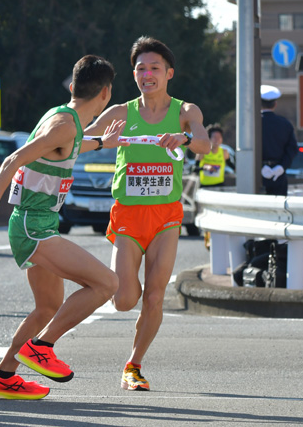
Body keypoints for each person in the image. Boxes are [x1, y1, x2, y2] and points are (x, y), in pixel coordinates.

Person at [0, 54, 123, 400]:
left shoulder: (64, 120)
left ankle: (4, 375)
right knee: (107, 283)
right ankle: (42, 347)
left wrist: (102, 142)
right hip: (34, 226)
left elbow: (67, 146)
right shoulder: (66, 124)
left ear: (73, 87)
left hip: (37, 224)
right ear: (106, 94)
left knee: (48, 306)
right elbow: (13, 159)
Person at [85, 37, 210, 391]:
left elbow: (206, 144)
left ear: (169, 73)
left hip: (166, 216)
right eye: (141, 68)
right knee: (125, 300)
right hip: (128, 215)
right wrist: (99, 142)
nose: (147, 74)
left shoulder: (186, 112)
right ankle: (129, 286)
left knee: (155, 296)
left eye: (155, 68)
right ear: (134, 74)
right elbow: (76, 138)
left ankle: (133, 365)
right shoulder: (120, 114)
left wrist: (183, 139)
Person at [260, 85, 298, 196]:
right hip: (279, 176)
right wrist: (281, 167)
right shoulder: (285, 124)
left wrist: (260, 167)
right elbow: (293, 149)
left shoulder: (253, 123)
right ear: (275, 104)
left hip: (256, 175)